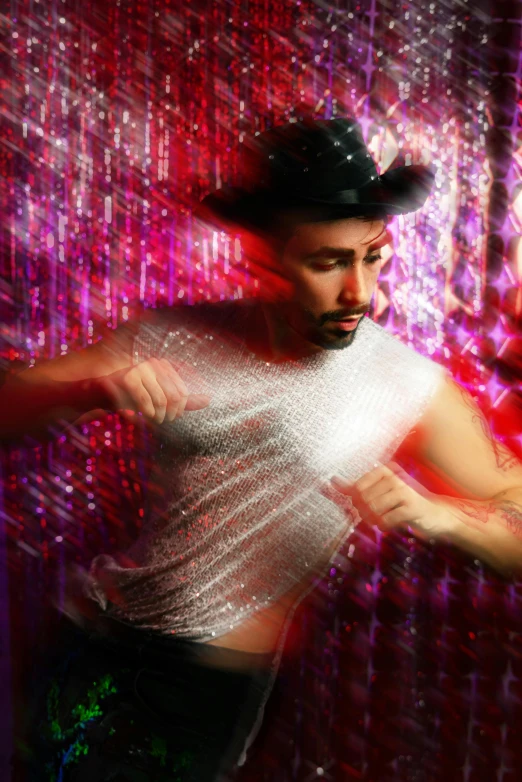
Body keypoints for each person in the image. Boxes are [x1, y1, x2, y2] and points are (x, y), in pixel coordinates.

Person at [6, 118, 522, 781]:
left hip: (202, 691)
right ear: (266, 261)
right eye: (328, 263)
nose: (359, 292)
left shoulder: (407, 386)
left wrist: (445, 516)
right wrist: (91, 388)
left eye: (372, 256)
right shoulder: (176, 335)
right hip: (89, 648)